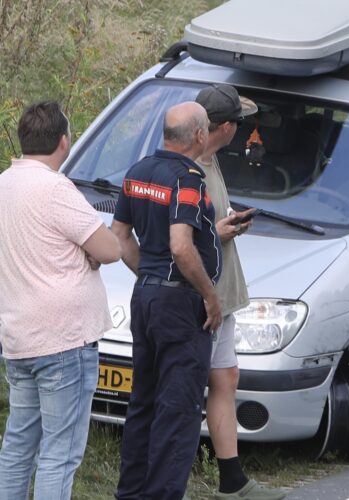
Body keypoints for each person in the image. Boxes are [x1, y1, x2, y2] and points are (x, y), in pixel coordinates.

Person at [0, 100, 121, 500]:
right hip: (63, 339)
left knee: (19, 445)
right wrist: (85, 252)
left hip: (19, 335)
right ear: (64, 141)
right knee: (60, 453)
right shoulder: (55, 188)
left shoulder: (4, 184)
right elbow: (110, 249)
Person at [112, 101, 223, 500]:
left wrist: (151, 276)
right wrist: (209, 296)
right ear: (198, 136)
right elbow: (181, 245)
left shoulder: (138, 171)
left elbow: (120, 236)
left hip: (146, 299)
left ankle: (132, 493)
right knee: (177, 413)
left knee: (143, 403)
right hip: (180, 306)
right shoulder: (188, 178)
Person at [195, 84, 285, 500]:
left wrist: (227, 220)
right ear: (226, 127)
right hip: (204, 296)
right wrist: (221, 230)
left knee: (225, 377)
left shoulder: (211, 160)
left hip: (223, 293)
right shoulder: (190, 166)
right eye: (240, 124)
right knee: (192, 385)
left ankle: (232, 479)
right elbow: (179, 238)